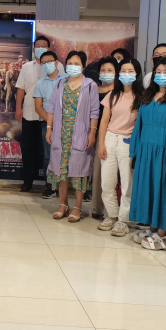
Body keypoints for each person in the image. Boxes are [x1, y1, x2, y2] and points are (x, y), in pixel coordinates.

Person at [129, 58, 166, 250]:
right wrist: (135, 150)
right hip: (146, 151)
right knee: (149, 189)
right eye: (158, 72)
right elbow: (139, 124)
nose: (161, 75)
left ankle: (164, 232)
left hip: (165, 151)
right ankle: (153, 227)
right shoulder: (148, 96)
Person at [45, 51, 100, 223]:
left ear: (83, 66)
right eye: (70, 63)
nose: (72, 66)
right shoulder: (60, 84)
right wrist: (49, 129)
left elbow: (94, 111)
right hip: (61, 134)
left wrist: (92, 132)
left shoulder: (90, 85)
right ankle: (63, 204)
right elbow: (52, 108)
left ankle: (77, 205)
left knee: (79, 170)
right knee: (62, 169)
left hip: (81, 134)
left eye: (76, 63)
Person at [97, 58, 143, 237]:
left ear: (137, 74)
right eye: (123, 70)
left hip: (128, 142)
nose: (126, 74)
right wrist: (101, 143)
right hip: (110, 139)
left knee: (127, 184)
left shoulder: (142, 97)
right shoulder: (113, 94)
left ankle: (123, 221)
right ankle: (111, 215)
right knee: (107, 183)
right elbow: (104, 121)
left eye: (130, 71)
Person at [16, 36, 50, 192]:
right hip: (29, 113)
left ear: (49, 48)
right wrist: (18, 108)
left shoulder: (57, 66)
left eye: (44, 45)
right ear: (34, 48)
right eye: (38, 45)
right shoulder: (27, 67)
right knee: (29, 148)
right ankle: (28, 181)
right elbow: (21, 89)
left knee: (47, 150)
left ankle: (49, 183)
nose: (41, 48)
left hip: (48, 115)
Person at [89, 57, 117, 218]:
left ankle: (111, 210)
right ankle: (97, 207)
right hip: (95, 133)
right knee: (97, 172)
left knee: (112, 174)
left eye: (110, 70)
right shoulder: (94, 90)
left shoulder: (119, 92)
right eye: (103, 70)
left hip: (113, 134)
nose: (106, 73)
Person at [33, 51, 61, 199]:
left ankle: (65, 186)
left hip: (68, 124)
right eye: (43, 63)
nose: (47, 65)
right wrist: (52, 123)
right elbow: (38, 107)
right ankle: (50, 186)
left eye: (49, 61)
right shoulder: (40, 84)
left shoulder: (67, 79)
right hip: (47, 125)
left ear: (56, 62)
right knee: (48, 156)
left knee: (67, 155)